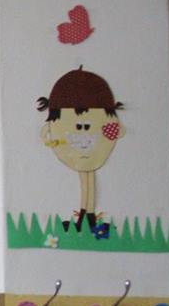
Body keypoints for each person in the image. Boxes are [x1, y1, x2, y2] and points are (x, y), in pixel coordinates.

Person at [38, 66, 124, 234]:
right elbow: (46, 132)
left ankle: (88, 215)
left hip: (89, 148)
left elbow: (115, 129)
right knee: (85, 177)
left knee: (88, 177)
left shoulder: (101, 125)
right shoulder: (60, 125)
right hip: (77, 148)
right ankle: (86, 215)